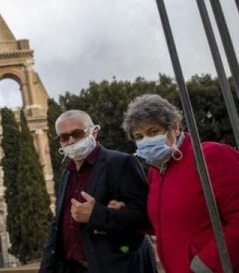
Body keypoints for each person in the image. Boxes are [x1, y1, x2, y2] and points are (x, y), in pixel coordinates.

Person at [121, 94, 239, 273]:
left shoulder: (209, 155)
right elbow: (164, 222)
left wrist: (206, 265)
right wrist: (123, 212)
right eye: (139, 136)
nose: (146, 140)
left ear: (175, 127)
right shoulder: (155, 171)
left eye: (153, 132)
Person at [39, 110, 156, 273]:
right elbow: (58, 226)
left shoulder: (120, 163)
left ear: (94, 132)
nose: (71, 141)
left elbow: (146, 218)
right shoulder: (67, 174)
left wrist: (98, 214)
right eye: (64, 137)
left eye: (77, 133)